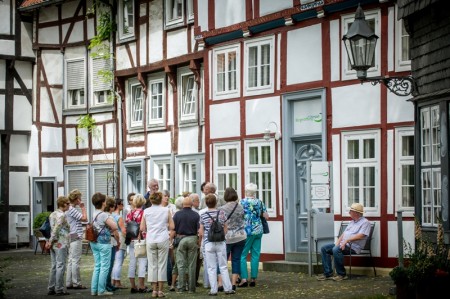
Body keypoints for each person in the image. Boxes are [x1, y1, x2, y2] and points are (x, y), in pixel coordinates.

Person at [317, 203, 371, 281]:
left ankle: (341, 274)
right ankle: (328, 273)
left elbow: (361, 236)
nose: (349, 213)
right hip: (344, 244)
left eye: (350, 211)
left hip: (353, 247)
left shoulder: (365, 222)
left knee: (336, 250)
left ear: (356, 213)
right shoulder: (352, 222)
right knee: (324, 248)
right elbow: (343, 234)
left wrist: (346, 241)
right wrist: (337, 243)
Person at [140, 191, 174, 298]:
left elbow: (142, 228)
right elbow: (172, 226)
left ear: (150, 200)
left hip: (151, 239)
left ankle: (154, 290)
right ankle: (160, 290)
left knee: (152, 265)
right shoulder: (166, 210)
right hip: (163, 238)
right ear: (160, 200)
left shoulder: (146, 211)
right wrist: (164, 224)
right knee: (162, 264)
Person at [199, 194, 235, 295]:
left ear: (206, 203)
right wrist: (222, 235)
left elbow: (201, 232)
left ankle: (213, 290)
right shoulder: (222, 213)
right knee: (223, 266)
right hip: (220, 242)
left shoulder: (203, 215)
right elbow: (226, 228)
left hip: (208, 243)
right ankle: (228, 288)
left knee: (211, 267)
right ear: (216, 202)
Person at [89, 192, 120, 297]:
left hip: (94, 242)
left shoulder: (94, 213)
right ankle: (101, 290)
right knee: (104, 267)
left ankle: (94, 289)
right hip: (104, 243)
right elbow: (115, 226)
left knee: (97, 266)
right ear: (103, 203)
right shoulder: (103, 215)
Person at [239, 183, 268, 288]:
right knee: (255, 254)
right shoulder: (260, 202)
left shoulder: (242, 202)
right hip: (258, 230)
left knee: (242, 255)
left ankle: (244, 279)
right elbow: (266, 216)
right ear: (255, 192)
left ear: (246, 191)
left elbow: (238, 216)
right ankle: (254, 279)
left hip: (247, 231)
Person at [219, 187, 246, 291]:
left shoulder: (222, 209)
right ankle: (233, 283)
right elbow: (243, 219)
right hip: (240, 236)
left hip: (227, 237)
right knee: (236, 259)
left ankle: (221, 283)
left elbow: (221, 223)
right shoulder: (241, 207)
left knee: (223, 260)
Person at [172, 195, 200, 293]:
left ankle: (181, 287)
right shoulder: (196, 215)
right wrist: (199, 242)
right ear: (192, 204)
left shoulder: (177, 214)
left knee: (181, 264)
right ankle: (191, 288)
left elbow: (173, 230)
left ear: (182, 204)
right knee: (192, 264)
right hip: (192, 238)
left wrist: (171, 240)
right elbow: (199, 230)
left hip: (180, 239)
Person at [46, 196, 71, 296]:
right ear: (63, 204)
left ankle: (51, 288)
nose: (69, 205)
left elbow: (51, 229)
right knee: (61, 265)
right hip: (60, 242)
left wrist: (49, 241)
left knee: (54, 265)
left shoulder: (52, 214)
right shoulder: (62, 215)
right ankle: (59, 289)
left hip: (53, 243)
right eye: (68, 203)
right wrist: (50, 241)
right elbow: (56, 229)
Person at [126, 193, 150, 293]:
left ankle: (133, 286)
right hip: (141, 239)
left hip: (131, 239)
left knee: (132, 262)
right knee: (142, 262)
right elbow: (144, 227)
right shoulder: (144, 213)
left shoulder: (129, 213)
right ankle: (141, 285)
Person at [65, 189, 88, 290]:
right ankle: (76, 283)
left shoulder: (67, 208)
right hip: (76, 235)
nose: (81, 199)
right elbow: (84, 218)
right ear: (77, 199)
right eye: (80, 198)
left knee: (71, 259)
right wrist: (83, 208)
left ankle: (69, 282)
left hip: (70, 234)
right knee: (76, 260)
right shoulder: (72, 209)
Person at [104, 197, 119, 292]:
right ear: (111, 207)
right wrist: (118, 241)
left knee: (107, 264)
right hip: (111, 241)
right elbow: (115, 231)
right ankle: (107, 284)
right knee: (109, 264)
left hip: (104, 241)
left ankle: (108, 284)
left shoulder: (102, 214)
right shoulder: (110, 216)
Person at [112, 198, 127, 289]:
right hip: (120, 237)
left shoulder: (110, 215)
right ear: (117, 205)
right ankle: (117, 281)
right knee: (119, 261)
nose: (123, 206)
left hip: (113, 238)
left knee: (115, 261)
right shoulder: (118, 217)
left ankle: (114, 281)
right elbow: (123, 230)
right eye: (121, 204)